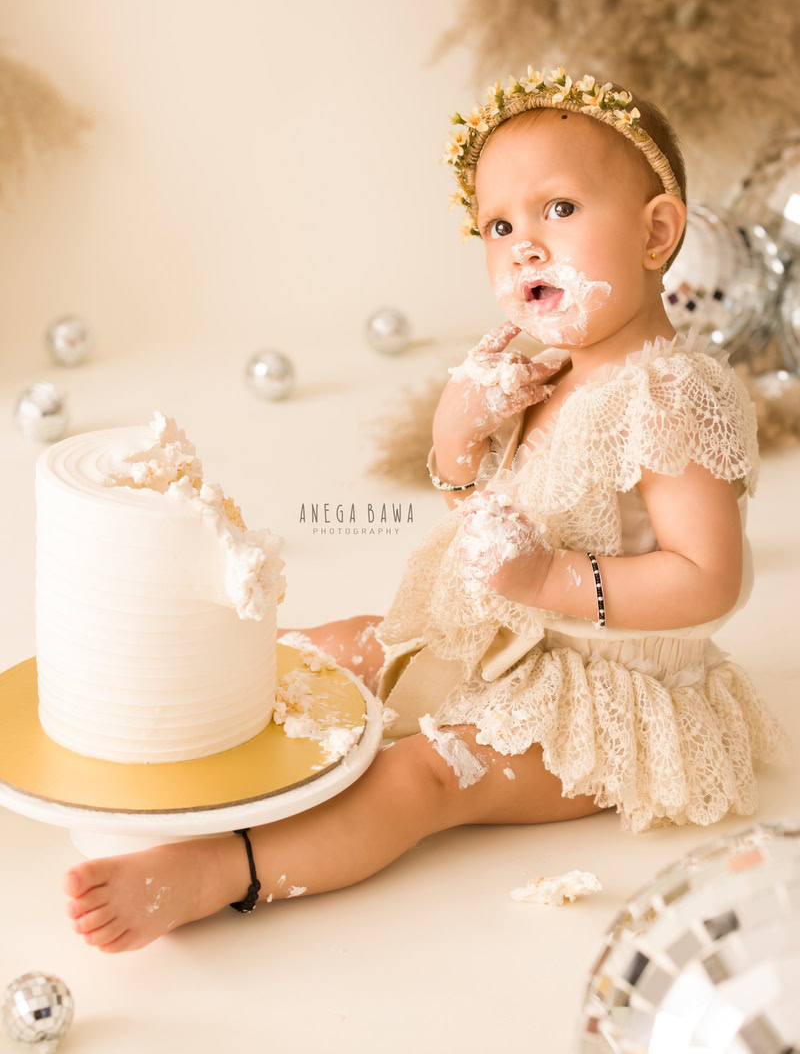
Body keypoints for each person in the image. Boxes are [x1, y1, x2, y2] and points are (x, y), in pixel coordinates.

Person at [62, 65, 791, 953]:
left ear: (657, 231)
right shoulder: (542, 370)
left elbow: (708, 579)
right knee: (339, 645)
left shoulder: (670, 395)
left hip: (607, 697)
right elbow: (482, 514)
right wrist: (458, 433)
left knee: (429, 773)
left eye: (559, 209)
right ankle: (160, 722)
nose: (526, 243)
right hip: (498, 639)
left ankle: (222, 867)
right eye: (499, 224)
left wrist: (546, 577)